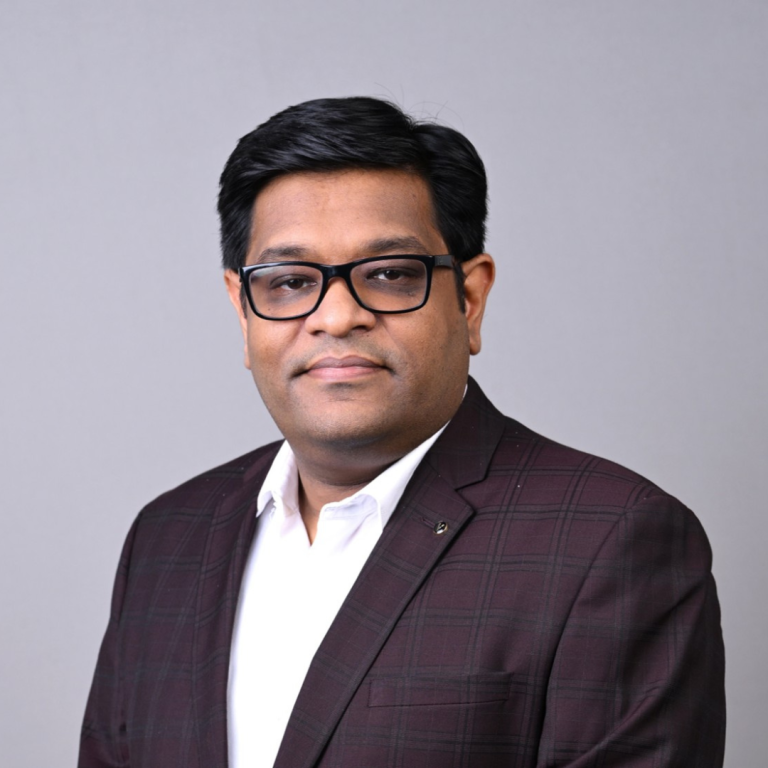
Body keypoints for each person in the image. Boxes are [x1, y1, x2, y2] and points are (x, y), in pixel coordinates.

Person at [79, 97, 725, 768]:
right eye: (289, 282)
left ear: (469, 300)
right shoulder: (167, 538)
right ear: (244, 314)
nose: (336, 317)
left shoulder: (610, 541)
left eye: (389, 274)